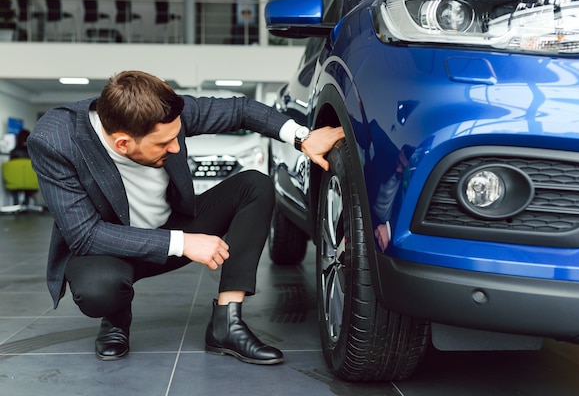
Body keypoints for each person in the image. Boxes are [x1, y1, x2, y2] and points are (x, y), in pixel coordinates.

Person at [28, 70, 345, 364]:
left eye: (175, 138)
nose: (176, 149)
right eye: (164, 144)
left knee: (255, 185)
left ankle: (227, 322)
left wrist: (303, 137)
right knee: (99, 290)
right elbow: (85, 234)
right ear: (123, 143)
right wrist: (181, 243)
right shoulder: (56, 140)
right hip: (108, 247)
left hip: (172, 222)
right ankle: (115, 319)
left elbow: (241, 109)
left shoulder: (162, 115)